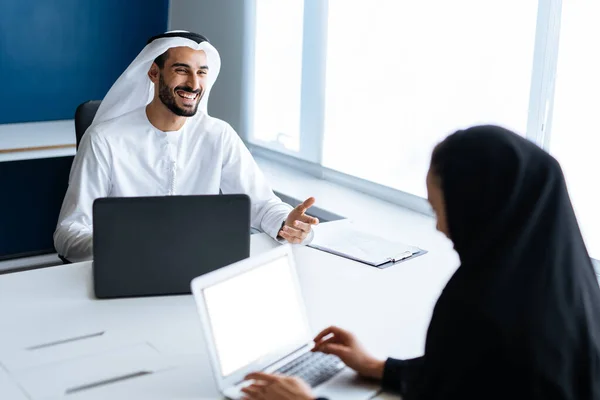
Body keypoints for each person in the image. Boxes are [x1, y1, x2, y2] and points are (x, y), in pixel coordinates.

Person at [241, 125, 600, 400]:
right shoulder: (569, 281)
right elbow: (477, 376)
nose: (441, 228)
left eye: (442, 211)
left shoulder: (480, 306)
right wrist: (381, 369)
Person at [54, 31, 318, 262]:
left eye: (201, 72)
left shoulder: (218, 135)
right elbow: (69, 233)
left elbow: (262, 205)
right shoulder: (105, 139)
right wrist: (122, 247)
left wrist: (287, 224)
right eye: (181, 70)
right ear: (154, 73)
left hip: (200, 267)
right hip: (127, 266)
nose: (194, 84)